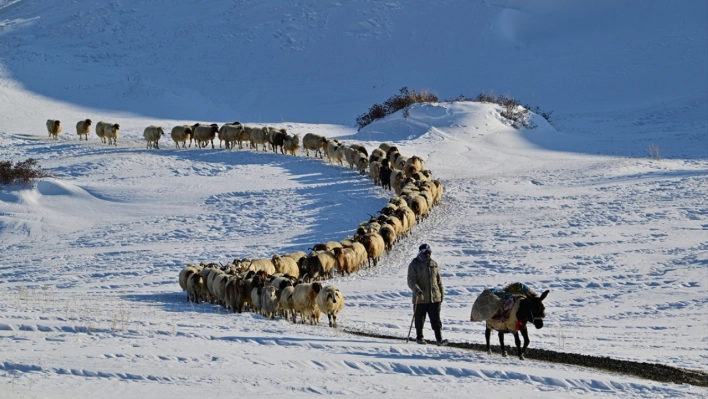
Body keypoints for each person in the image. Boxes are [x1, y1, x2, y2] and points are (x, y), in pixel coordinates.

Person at [407, 243, 448, 346]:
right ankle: (419, 338)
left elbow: (439, 281)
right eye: (426, 253)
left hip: (434, 297)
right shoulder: (414, 264)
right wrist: (417, 290)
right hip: (420, 297)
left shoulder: (433, 264)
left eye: (429, 253)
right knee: (419, 319)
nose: (428, 255)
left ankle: (439, 339)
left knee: (436, 319)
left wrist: (441, 294)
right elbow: (411, 281)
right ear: (421, 253)